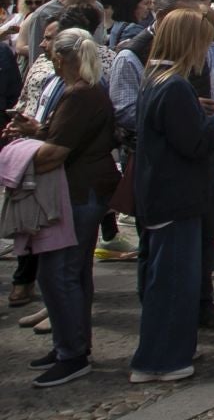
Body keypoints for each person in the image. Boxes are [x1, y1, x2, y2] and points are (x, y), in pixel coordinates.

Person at [129, 8, 214, 382]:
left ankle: (167, 351)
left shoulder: (158, 78)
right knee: (173, 282)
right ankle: (160, 360)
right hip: (176, 196)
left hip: (161, 192)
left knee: (166, 279)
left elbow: (178, 129)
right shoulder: (174, 85)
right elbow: (192, 142)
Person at [6, 27, 119, 386]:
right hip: (83, 189)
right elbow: (61, 139)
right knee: (71, 272)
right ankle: (70, 346)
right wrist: (36, 131)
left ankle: (72, 352)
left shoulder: (80, 94)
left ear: (60, 58)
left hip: (79, 191)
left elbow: (55, 154)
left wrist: (17, 155)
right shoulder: (83, 91)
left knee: (59, 272)